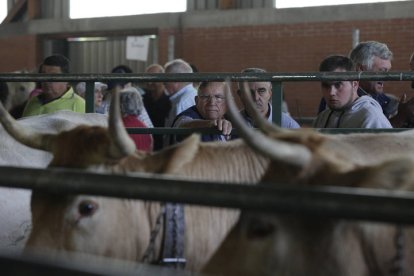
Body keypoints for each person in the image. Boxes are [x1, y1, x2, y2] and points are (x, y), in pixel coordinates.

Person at [313, 55, 392, 128]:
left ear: (354, 84)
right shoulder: (323, 117)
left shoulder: (371, 117)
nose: (331, 93)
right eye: (326, 85)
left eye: (338, 85)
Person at [350, 41, 414, 127]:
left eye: (387, 72)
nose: (386, 77)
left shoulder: (384, 100)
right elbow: (375, 137)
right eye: (382, 71)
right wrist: (401, 117)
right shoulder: (344, 99)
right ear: (361, 69)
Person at [163, 59, 198, 146]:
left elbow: (180, 137)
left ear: (175, 80)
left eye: (165, 79)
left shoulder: (182, 102)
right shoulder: (189, 95)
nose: (164, 83)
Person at [142, 64, 171, 151]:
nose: (149, 82)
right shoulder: (142, 99)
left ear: (162, 78)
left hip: (164, 146)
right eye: (147, 79)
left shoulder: (170, 100)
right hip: (146, 145)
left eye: (153, 79)